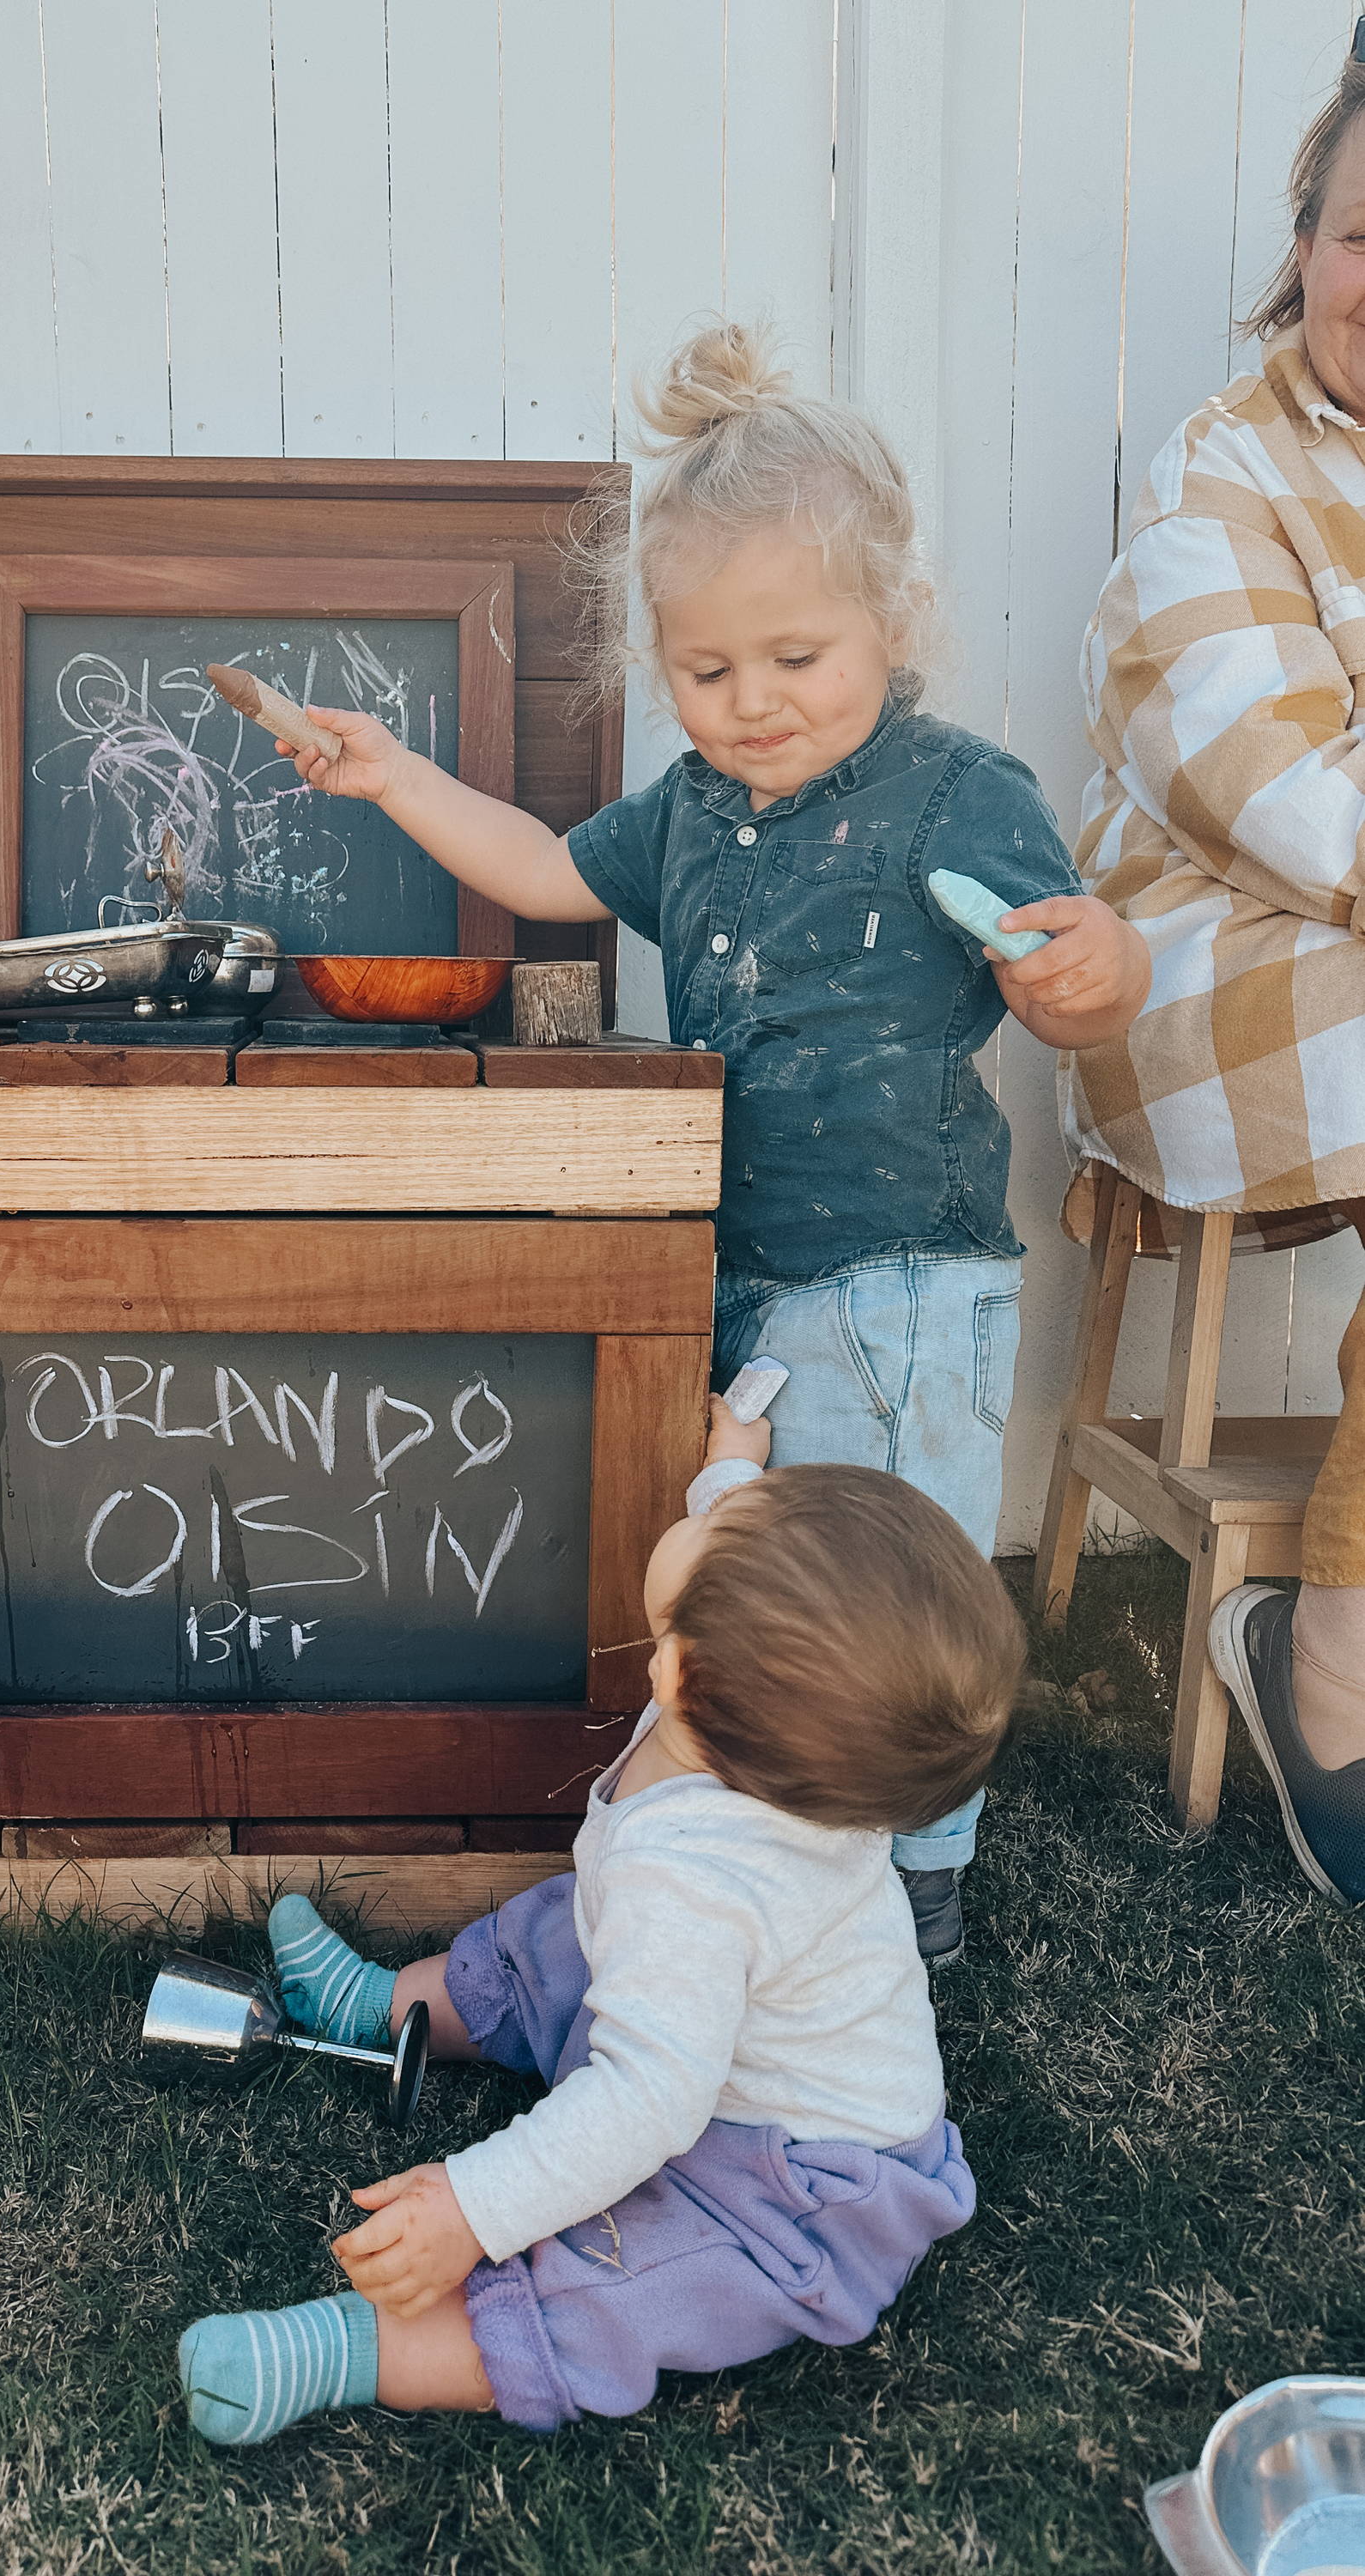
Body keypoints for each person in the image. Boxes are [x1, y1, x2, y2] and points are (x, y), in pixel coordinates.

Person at [271, 321, 1149, 1960]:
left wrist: (1101, 970)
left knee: (902, 1585)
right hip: (745, 1271)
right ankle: (798, 1846)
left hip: (899, 1279)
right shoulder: (689, 812)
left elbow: (1073, 984)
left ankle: (916, 1885)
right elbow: (542, 872)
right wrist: (392, 778)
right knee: (781, 1590)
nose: (751, 705)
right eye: (708, 670)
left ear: (897, 622)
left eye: (798, 658)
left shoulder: (955, 791)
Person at [173, 1396, 1026, 2443]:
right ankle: (382, 2007)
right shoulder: (766, 1718)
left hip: (781, 2180)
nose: (719, 1514)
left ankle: (359, 2352)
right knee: (556, 1940)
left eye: (722, 1530)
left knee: (628, 2278)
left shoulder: (703, 1885)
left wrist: (473, 2207)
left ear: (681, 1673)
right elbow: (750, 1571)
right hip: (707, 2027)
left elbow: (645, 2106)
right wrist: (732, 1468)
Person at [1068, 25, 1365, 1901]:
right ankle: (1327, 1658)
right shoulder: (1221, 475)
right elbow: (1294, 800)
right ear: (1306, 242)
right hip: (1203, 966)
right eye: (1363, 238)